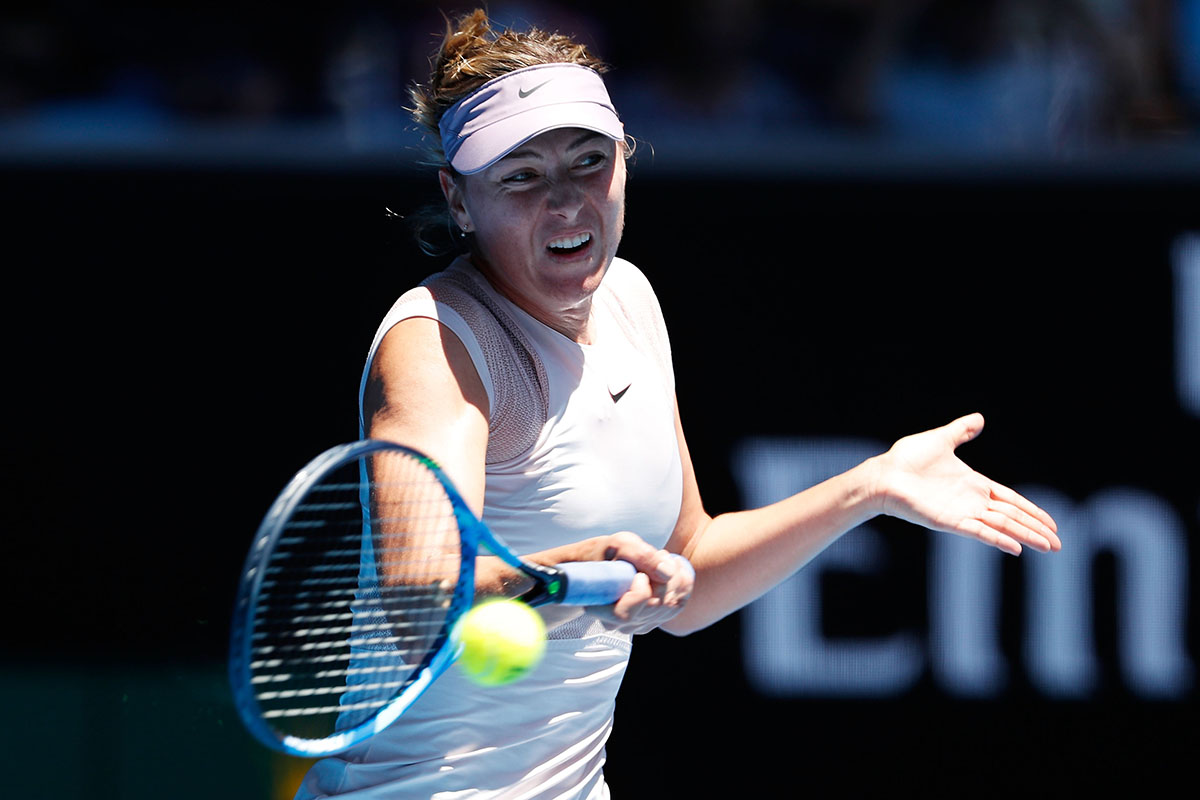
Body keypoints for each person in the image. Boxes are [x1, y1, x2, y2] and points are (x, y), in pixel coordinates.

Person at [295, 9, 1060, 799]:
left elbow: (687, 574)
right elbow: (419, 591)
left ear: (625, 161)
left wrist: (870, 487)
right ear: (459, 200)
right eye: (520, 176)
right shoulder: (441, 343)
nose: (564, 202)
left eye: (588, 162)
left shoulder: (630, 300)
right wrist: (563, 572)